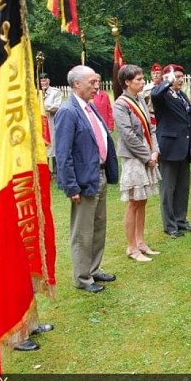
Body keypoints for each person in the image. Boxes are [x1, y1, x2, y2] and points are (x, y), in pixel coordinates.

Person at [54, 65, 119, 293]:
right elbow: (63, 154)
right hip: (82, 182)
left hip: (98, 175)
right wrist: (71, 186)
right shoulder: (68, 112)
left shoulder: (90, 108)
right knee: (82, 231)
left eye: (97, 81)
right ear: (76, 84)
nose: (96, 86)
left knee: (98, 226)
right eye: (91, 82)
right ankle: (82, 278)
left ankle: (93, 268)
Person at [113, 65, 162, 262]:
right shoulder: (120, 104)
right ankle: (131, 247)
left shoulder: (141, 98)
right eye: (138, 79)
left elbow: (151, 127)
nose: (143, 82)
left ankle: (141, 241)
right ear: (127, 82)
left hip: (149, 154)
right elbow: (128, 135)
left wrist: (155, 150)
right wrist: (146, 157)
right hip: (134, 158)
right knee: (134, 202)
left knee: (143, 200)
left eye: (142, 79)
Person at [152, 64, 191, 238]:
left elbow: (188, 121)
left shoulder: (181, 95)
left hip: (183, 147)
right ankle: (170, 225)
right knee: (168, 189)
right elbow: (155, 94)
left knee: (182, 187)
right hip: (170, 148)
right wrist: (167, 82)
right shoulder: (162, 95)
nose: (180, 80)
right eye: (176, 76)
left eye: (181, 77)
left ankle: (181, 220)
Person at [40, 72, 63, 173]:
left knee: (53, 145)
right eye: (41, 80)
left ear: (48, 81)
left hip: (51, 122)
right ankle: (44, 171)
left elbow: (56, 107)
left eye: (45, 80)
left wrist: (43, 107)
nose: (43, 82)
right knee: (42, 146)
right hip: (39, 123)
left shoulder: (55, 92)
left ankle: (55, 171)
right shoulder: (36, 92)